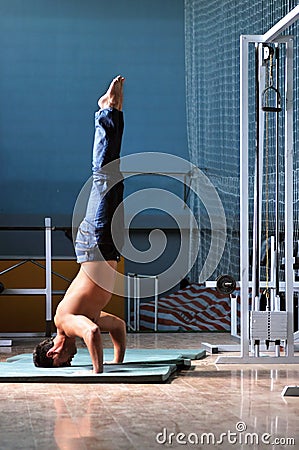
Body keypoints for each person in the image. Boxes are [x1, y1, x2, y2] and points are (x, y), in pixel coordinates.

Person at [33, 75, 126, 373]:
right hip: (104, 248)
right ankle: (115, 112)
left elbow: (92, 334)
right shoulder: (87, 316)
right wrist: (116, 361)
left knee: (104, 178)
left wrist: (98, 373)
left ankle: (105, 113)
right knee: (114, 177)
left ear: (53, 353)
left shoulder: (65, 322)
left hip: (94, 245)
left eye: (63, 361)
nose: (70, 361)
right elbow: (117, 327)